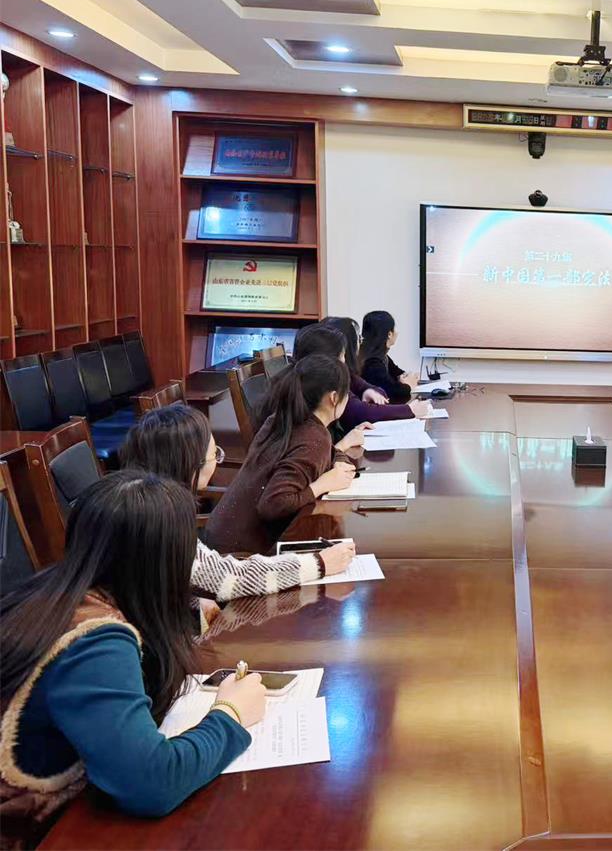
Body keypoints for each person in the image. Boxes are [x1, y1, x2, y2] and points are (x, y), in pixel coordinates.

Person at [0, 472, 266, 844]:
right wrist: (231, 714)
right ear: (161, 564)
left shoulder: (52, 593)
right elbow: (153, 784)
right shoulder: (96, 640)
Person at [121, 404, 355, 600]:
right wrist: (319, 563)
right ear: (190, 463)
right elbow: (228, 579)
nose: (218, 462)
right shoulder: (159, 516)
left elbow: (183, 577)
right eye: (215, 455)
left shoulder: (136, 497)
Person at [204, 354, 358, 556]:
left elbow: (329, 452)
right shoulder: (314, 437)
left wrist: (338, 462)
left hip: (219, 537)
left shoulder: (284, 418)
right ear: (334, 398)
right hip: (237, 557)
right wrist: (321, 485)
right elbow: (273, 504)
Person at [307, 320, 431, 427]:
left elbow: (380, 394)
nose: (361, 343)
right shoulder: (327, 380)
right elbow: (359, 411)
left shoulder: (347, 372)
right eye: (358, 339)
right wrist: (409, 409)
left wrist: (367, 391)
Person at [359, 310, 418, 404]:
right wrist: (408, 385)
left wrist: (406, 377)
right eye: (394, 328)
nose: (397, 332)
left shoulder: (378, 354)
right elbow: (392, 392)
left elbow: (397, 373)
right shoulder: (372, 362)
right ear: (389, 334)